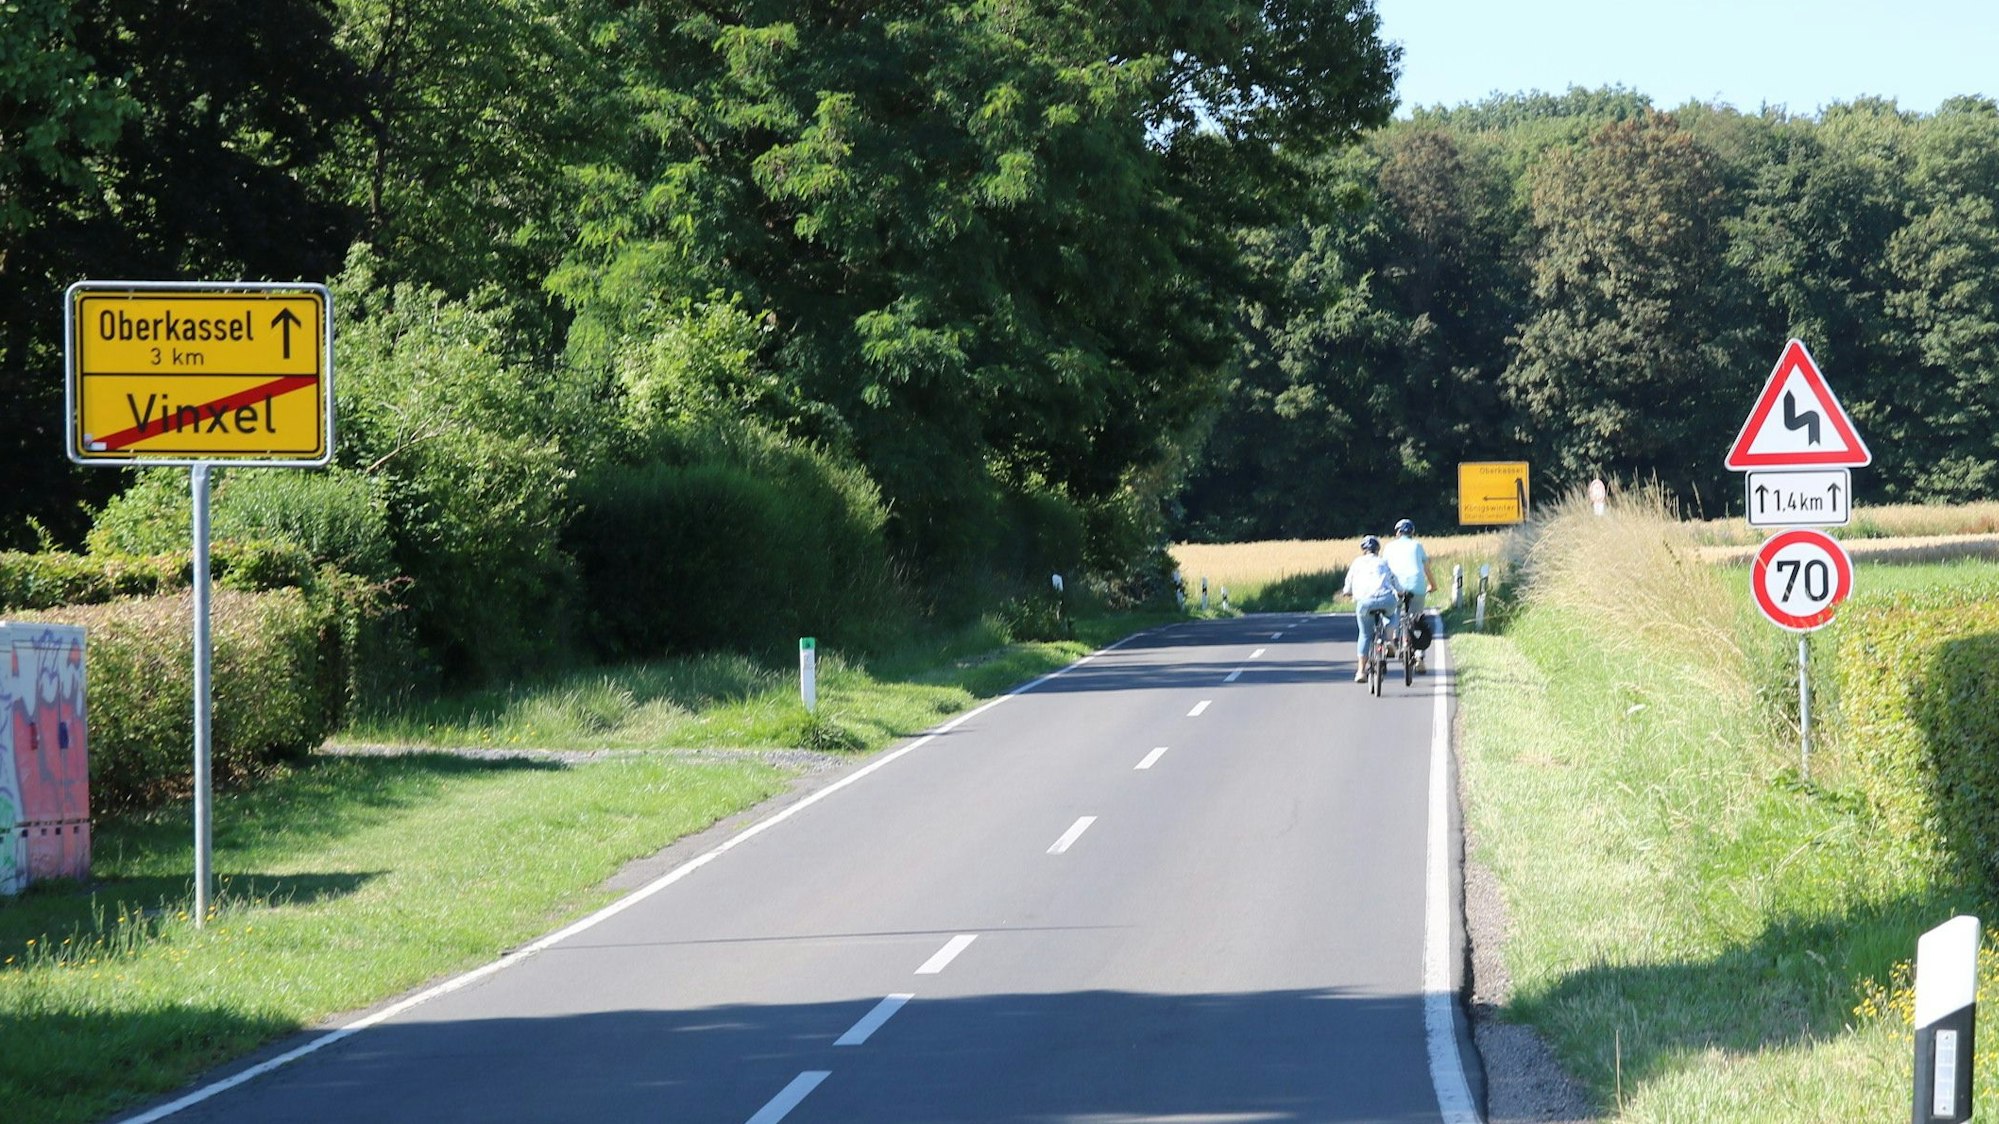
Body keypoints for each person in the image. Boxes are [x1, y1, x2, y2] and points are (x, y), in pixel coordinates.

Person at [1340, 534, 1406, 682]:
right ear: (1377, 549)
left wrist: (1347, 592)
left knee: (1365, 634)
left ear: (1363, 550)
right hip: (1386, 599)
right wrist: (1401, 592)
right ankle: (1389, 639)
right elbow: (1394, 580)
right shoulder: (1383, 562)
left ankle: (1361, 672)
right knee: (1392, 615)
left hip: (1365, 602)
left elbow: (1348, 584)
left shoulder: (1357, 563)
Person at [1383, 518, 1438, 671]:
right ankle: (1419, 656)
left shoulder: (1389, 547)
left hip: (1395, 587)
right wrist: (1432, 586)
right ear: (1412, 533)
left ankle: (1390, 641)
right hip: (1417, 586)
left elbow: (1383, 570)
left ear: (1397, 533)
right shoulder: (1417, 545)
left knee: (1392, 613)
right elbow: (1426, 569)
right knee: (1417, 620)